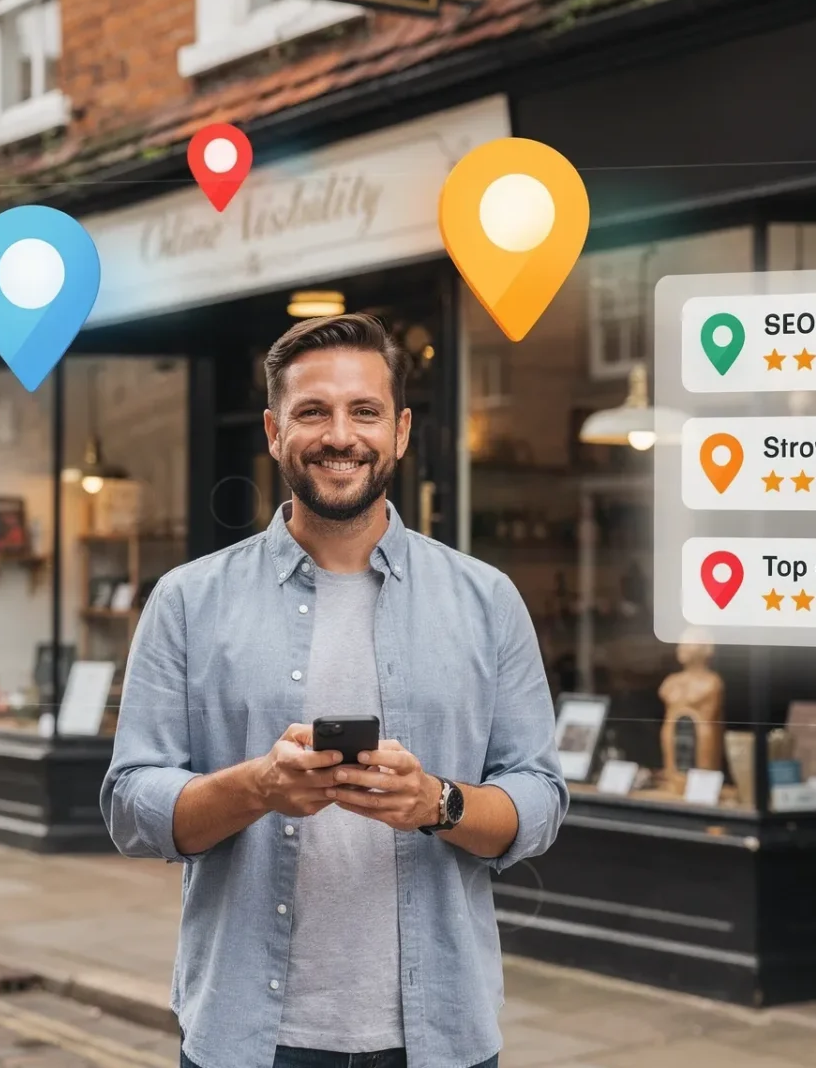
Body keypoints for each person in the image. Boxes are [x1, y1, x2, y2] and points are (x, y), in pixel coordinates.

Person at [101, 313, 568, 1068]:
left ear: (402, 430)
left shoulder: (487, 598)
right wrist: (257, 786)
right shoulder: (187, 600)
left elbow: (540, 799)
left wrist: (438, 804)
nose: (340, 435)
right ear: (273, 431)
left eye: (365, 411)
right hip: (249, 1036)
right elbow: (131, 806)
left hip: (440, 1035)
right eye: (312, 411)